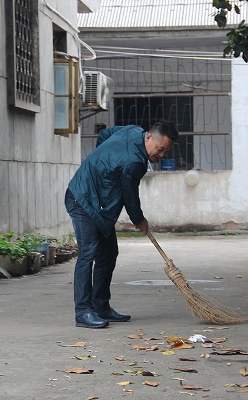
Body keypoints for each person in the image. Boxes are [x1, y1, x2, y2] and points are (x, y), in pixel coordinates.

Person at [64, 120, 179, 328]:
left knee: (108, 253)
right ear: (149, 137)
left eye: (165, 152)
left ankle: (100, 306)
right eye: (160, 149)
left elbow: (105, 135)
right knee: (88, 252)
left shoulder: (133, 131)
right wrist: (139, 220)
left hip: (99, 204)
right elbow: (129, 195)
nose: (160, 155)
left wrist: (103, 161)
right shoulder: (134, 161)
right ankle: (83, 311)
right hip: (81, 198)